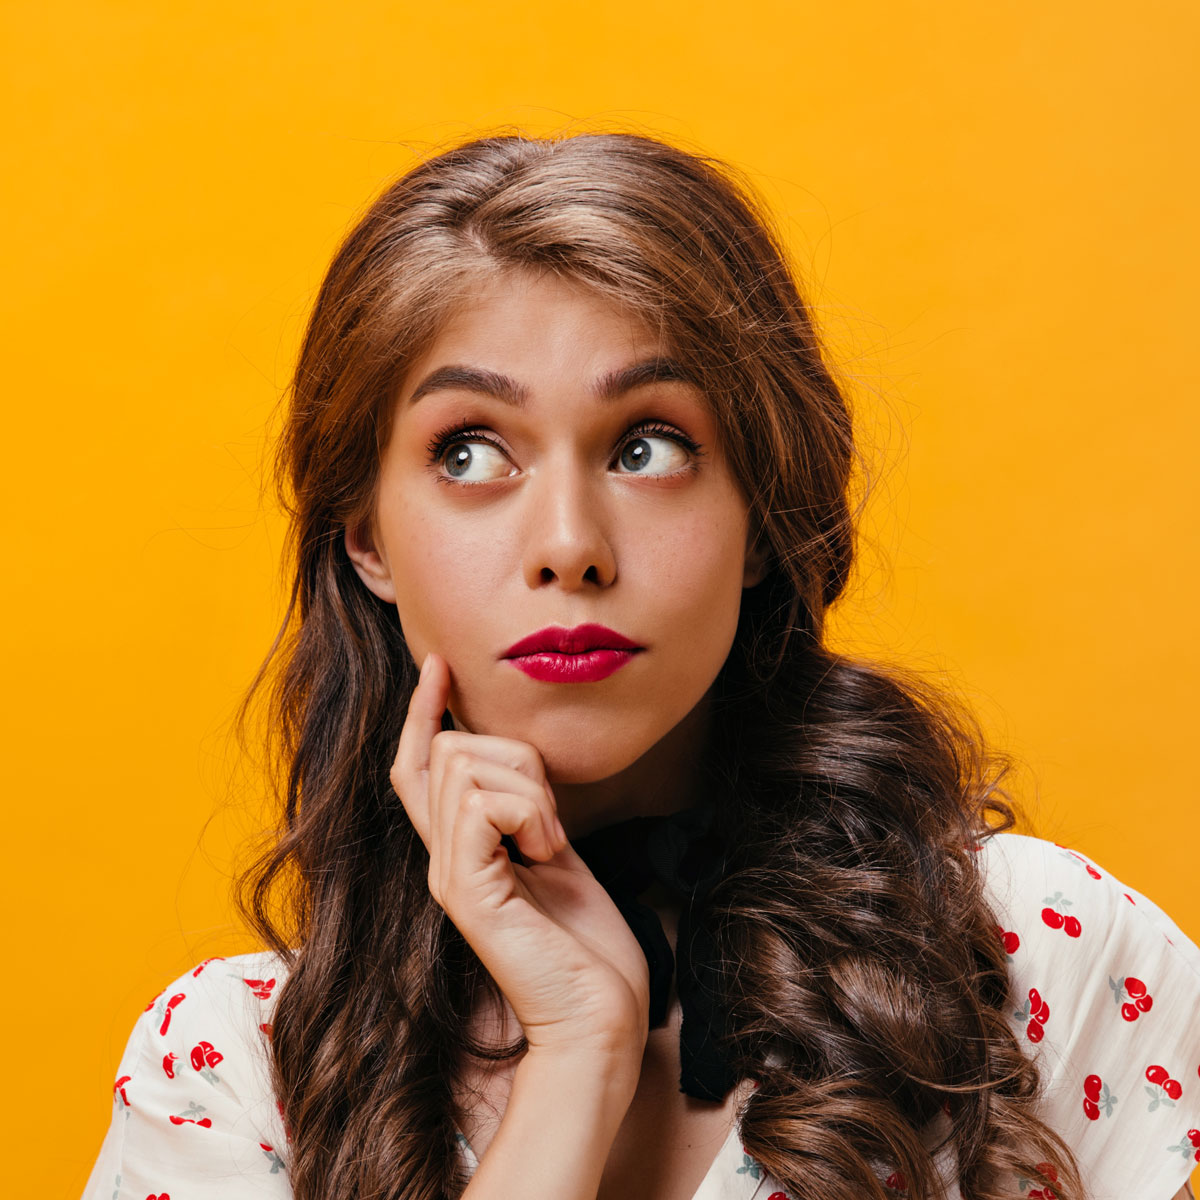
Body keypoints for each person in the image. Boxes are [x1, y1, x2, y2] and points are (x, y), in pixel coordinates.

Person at [83, 131, 1200, 1200]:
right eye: (469, 451)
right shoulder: (230, 1074)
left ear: (762, 516)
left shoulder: (1038, 958)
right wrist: (576, 1054)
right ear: (367, 537)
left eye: (647, 447)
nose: (569, 543)